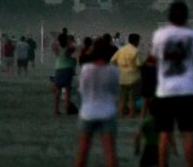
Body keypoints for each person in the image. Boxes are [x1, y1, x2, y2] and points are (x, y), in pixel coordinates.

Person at [150, 1, 193, 167]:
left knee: (164, 135)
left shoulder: (160, 35)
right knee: (188, 134)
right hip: (188, 90)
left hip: (165, 91)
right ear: (187, 16)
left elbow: (153, 57)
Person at [74, 37, 119, 167]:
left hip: (88, 112)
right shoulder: (114, 71)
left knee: (82, 152)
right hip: (107, 111)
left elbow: (82, 90)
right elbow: (115, 92)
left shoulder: (86, 69)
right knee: (110, 153)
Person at [111, 32, 143, 118]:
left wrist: (119, 67)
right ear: (136, 41)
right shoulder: (136, 51)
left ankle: (121, 114)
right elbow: (139, 65)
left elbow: (112, 61)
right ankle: (131, 115)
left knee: (122, 99)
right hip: (133, 78)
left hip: (122, 77)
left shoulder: (121, 50)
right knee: (132, 99)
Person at [53, 31, 77, 115]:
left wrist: (55, 39)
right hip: (68, 69)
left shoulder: (57, 49)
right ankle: (67, 108)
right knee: (67, 91)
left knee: (58, 91)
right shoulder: (68, 49)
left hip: (58, 69)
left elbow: (55, 49)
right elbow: (73, 48)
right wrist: (70, 42)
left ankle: (56, 110)